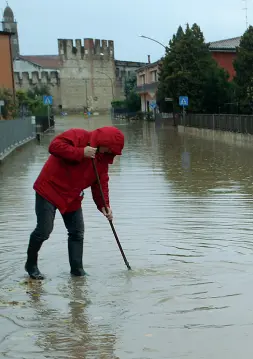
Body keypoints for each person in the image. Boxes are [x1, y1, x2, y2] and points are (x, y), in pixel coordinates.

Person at [25, 126, 125, 280]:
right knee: (44, 230)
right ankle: (31, 265)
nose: (108, 152)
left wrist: (104, 205)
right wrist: (81, 152)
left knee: (77, 232)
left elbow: (100, 184)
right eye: (109, 148)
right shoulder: (78, 135)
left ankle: (77, 271)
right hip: (49, 189)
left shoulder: (102, 161)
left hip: (72, 196)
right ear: (102, 141)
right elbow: (54, 146)